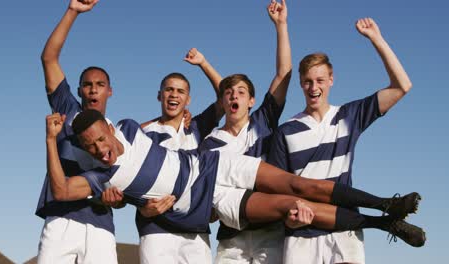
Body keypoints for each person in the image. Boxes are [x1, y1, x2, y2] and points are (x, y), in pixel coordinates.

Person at [45, 110, 425, 251]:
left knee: (297, 184)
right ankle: (383, 224)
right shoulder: (101, 177)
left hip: (213, 164)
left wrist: (184, 120)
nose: (100, 149)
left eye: (101, 139)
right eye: (90, 147)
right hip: (208, 203)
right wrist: (50, 140)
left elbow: (166, 123)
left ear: (111, 128)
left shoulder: (130, 126)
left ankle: (386, 203)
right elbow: (61, 190)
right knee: (293, 207)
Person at [268, 18, 414, 263]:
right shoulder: (285, 131)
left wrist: (376, 39)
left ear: (331, 80)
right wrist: (288, 218)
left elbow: (402, 86)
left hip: (345, 230)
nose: (314, 87)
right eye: (308, 81)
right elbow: (277, 189)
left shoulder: (349, 116)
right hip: (301, 235)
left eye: (320, 80)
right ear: (300, 84)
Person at [104, 49, 224, 264]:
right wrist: (141, 207)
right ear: (160, 95)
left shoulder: (196, 127)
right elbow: (128, 181)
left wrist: (203, 63)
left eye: (180, 91)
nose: (174, 95)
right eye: (169, 90)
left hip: (195, 232)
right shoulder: (143, 134)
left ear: (188, 99)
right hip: (155, 230)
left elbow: (224, 96)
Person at [196, 0, 291, 262]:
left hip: (270, 234)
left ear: (251, 100)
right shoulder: (209, 143)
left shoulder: (263, 122)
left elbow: (284, 74)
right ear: (222, 101)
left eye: (241, 92)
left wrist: (280, 25)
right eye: (228, 93)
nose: (233, 96)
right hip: (230, 239)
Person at [34, 0, 120, 263]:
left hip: (100, 225)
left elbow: (124, 187)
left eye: (100, 84)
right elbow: (49, 58)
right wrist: (73, 11)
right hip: (60, 219)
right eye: (87, 85)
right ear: (80, 90)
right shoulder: (66, 108)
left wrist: (116, 199)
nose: (93, 89)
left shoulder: (119, 134)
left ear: (109, 91)